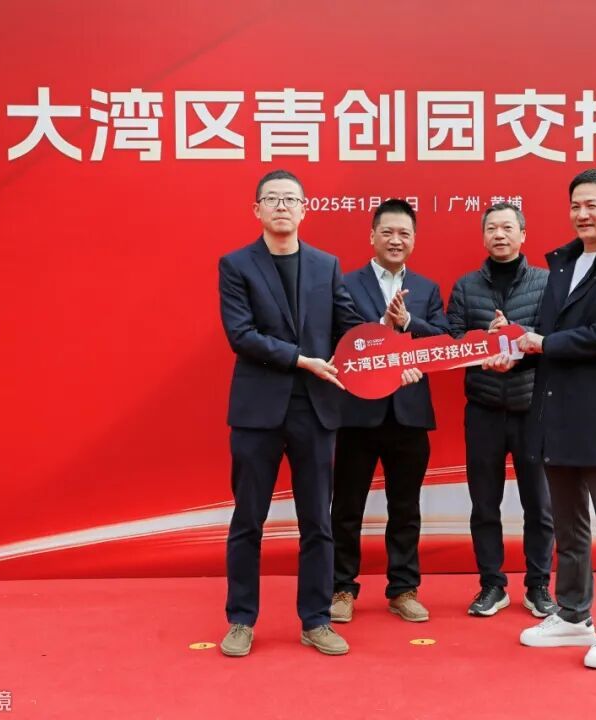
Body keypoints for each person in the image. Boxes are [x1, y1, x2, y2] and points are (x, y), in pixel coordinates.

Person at [486, 169, 596, 669]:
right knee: (568, 523)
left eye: (592, 205)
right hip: (556, 409)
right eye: (575, 206)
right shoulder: (565, 263)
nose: (582, 215)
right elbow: (551, 337)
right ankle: (573, 613)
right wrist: (517, 349)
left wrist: (542, 342)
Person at [217, 169, 364, 657]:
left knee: (317, 521)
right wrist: (301, 359)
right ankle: (241, 619)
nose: (281, 206)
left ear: (305, 209)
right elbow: (241, 335)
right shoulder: (236, 265)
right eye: (272, 199)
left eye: (290, 199)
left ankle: (316, 620)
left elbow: (348, 328)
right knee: (248, 519)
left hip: (315, 410)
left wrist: (386, 341)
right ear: (256, 209)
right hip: (257, 410)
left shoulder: (326, 265)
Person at [330, 199, 448, 624]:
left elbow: (443, 340)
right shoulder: (345, 284)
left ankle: (403, 588)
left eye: (404, 234)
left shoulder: (427, 288)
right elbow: (340, 338)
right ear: (372, 236)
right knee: (347, 508)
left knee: (405, 508)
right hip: (358, 413)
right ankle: (341, 588)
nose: (396, 240)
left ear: (414, 239)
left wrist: (409, 321)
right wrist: (383, 329)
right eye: (388, 232)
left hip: (409, 413)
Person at [446, 202, 558, 618]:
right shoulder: (465, 286)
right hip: (484, 408)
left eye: (508, 227)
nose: (499, 234)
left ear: (523, 234)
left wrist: (515, 339)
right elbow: (452, 342)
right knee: (484, 503)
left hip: (532, 408)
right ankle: (492, 585)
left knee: (539, 504)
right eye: (492, 228)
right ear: (483, 236)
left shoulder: (546, 283)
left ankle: (538, 585)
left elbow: (555, 337)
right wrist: (486, 343)